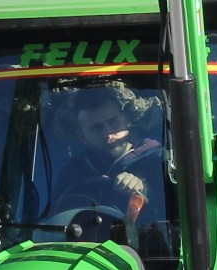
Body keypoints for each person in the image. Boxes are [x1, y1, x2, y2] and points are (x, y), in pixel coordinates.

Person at [41, 82, 165, 227]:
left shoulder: (157, 159)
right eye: (96, 128)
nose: (108, 134)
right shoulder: (71, 173)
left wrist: (144, 189)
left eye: (113, 122)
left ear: (127, 121)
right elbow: (54, 225)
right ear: (83, 137)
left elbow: (178, 210)